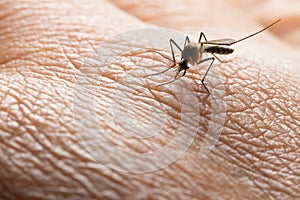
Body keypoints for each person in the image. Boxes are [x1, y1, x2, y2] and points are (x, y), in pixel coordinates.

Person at [1, 0, 299, 199]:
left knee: (203, 58)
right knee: (191, 49)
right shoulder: (184, 57)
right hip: (198, 48)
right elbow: (186, 55)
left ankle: (255, 33)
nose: (180, 69)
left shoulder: (193, 58)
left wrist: (194, 67)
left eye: (181, 67)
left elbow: (196, 56)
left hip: (209, 48)